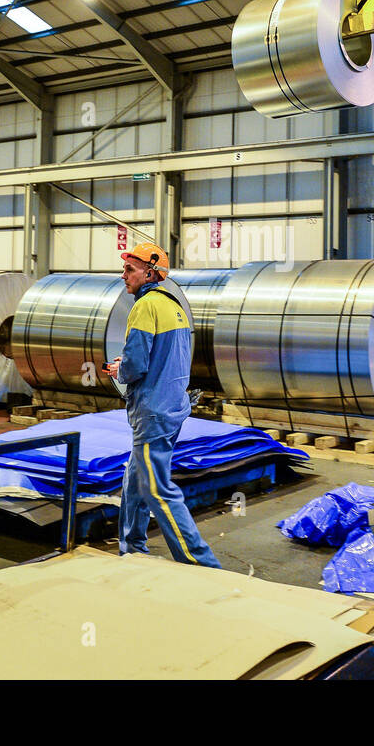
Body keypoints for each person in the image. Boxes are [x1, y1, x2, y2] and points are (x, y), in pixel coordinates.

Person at [106, 242, 221, 568]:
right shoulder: (175, 307)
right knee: (135, 476)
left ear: (151, 271)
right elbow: (167, 357)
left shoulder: (144, 307)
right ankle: (131, 547)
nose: (123, 275)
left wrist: (120, 368)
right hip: (172, 406)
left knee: (157, 489)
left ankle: (202, 563)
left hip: (153, 411)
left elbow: (137, 365)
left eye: (130, 269)